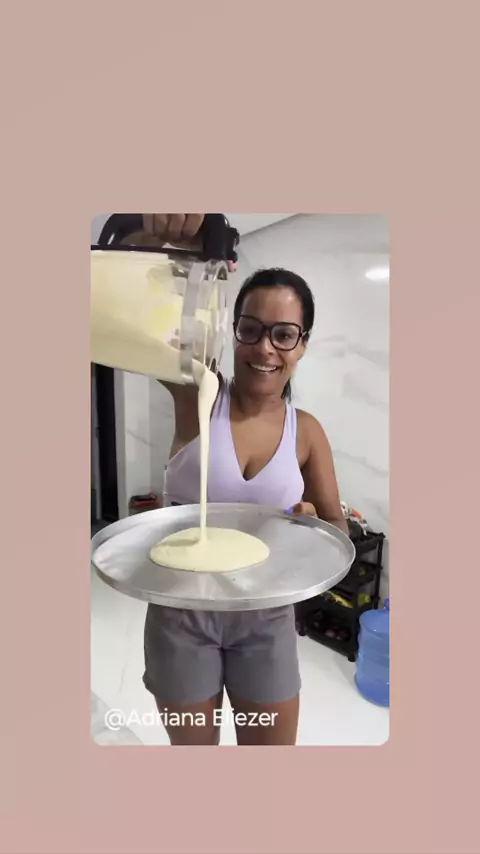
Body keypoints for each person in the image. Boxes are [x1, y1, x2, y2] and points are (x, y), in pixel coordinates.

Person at [124, 215, 349, 745]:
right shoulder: (197, 395)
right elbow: (133, 317)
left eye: (284, 335)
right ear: (234, 331)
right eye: (251, 329)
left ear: (302, 345)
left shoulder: (306, 432)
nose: (265, 348)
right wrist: (155, 241)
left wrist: (314, 527)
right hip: (182, 615)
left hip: (266, 620)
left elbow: (338, 530)